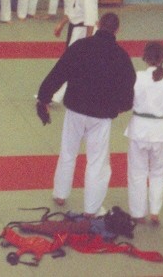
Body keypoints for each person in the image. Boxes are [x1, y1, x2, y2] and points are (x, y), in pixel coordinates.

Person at [36, 12, 135, 216]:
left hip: (75, 110)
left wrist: (44, 98)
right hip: (101, 116)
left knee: (68, 152)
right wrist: (119, 107)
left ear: (98, 24)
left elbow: (58, 73)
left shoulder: (80, 47)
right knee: (97, 162)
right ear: (117, 30)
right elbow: (128, 89)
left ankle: (60, 194)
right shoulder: (121, 56)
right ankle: (91, 209)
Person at [125, 41, 163, 224]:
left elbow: (129, 100)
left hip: (139, 129)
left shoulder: (138, 77)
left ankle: (138, 213)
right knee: (159, 172)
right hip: (160, 130)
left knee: (137, 172)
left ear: (145, 57)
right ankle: (155, 211)